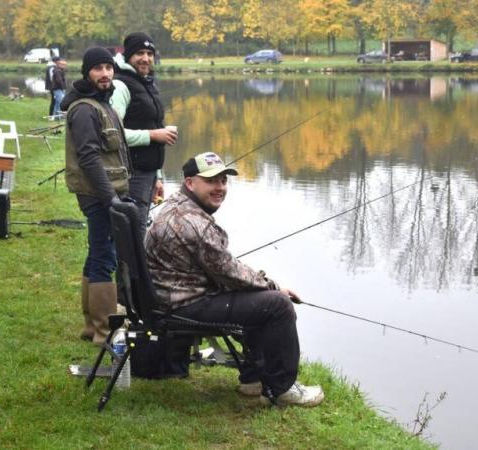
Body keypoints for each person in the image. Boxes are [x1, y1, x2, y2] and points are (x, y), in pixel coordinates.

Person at [145, 152, 324, 407]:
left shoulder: (175, 204)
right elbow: (230, 272)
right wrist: (274, 287)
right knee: (277, 305)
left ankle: (253, 381)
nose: (219, 188)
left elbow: (226, 271)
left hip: (168, 296)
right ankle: (283, 388)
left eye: (223, 181)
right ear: (190, 183)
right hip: (184, 305)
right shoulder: (196, 225)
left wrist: (260, 286)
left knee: (258, 298)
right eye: (211, 181)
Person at [61, 47, 132, 344]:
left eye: (108, 67)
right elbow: (89, 159)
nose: (104, 73)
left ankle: (92, 326)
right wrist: (110, 199)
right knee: (105, 256)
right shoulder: (85, 110)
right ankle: (105, 331)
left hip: (106, 194)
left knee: (97, 254)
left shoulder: (104, 105)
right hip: (99, 196)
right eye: (98, 68)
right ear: (87, 73)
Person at [111, 32, 178, 236]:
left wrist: (156, 176)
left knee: (138, 230)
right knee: (131, 234)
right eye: (140, 53)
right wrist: (152, 135)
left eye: (150, 53)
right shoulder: (120, 85)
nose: (146, 58)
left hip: (147, 173)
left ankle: (134, 269)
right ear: (128, 55)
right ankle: (130, 269)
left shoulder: (146, 82)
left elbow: (152, 122)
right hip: (131, 174)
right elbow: (113, 134)